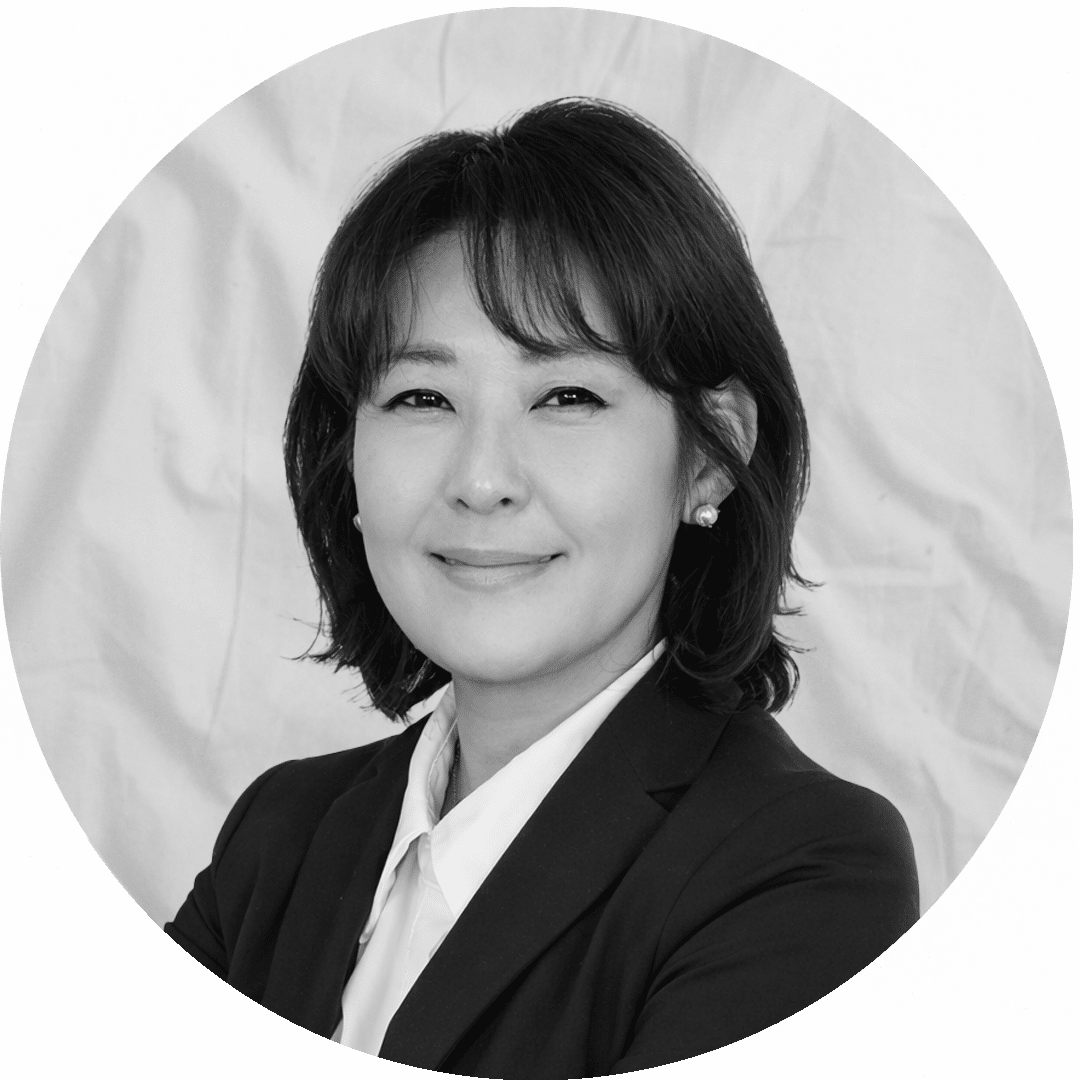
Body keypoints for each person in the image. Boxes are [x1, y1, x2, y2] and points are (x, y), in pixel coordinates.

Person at [164, 98, 919, 1077]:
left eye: (567, 395)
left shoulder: (805, 871)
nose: (482, 481)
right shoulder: (281, 835)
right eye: (422, 397)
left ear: (711, 455)